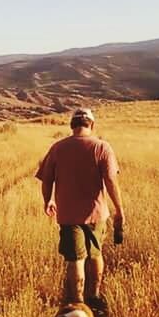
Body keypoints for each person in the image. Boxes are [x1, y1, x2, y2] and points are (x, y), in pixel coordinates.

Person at [36, 108, 124, 304]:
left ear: (72, 126)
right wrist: (119, 209)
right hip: (97, 213)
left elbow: (46, 179)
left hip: (68, 214)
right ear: (91, 125)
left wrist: (48, 200)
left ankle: (76, 302)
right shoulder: (102, 147)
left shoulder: (57, 147)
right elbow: (111, 180)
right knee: (96, 254)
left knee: (76, 259)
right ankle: (94, 296)